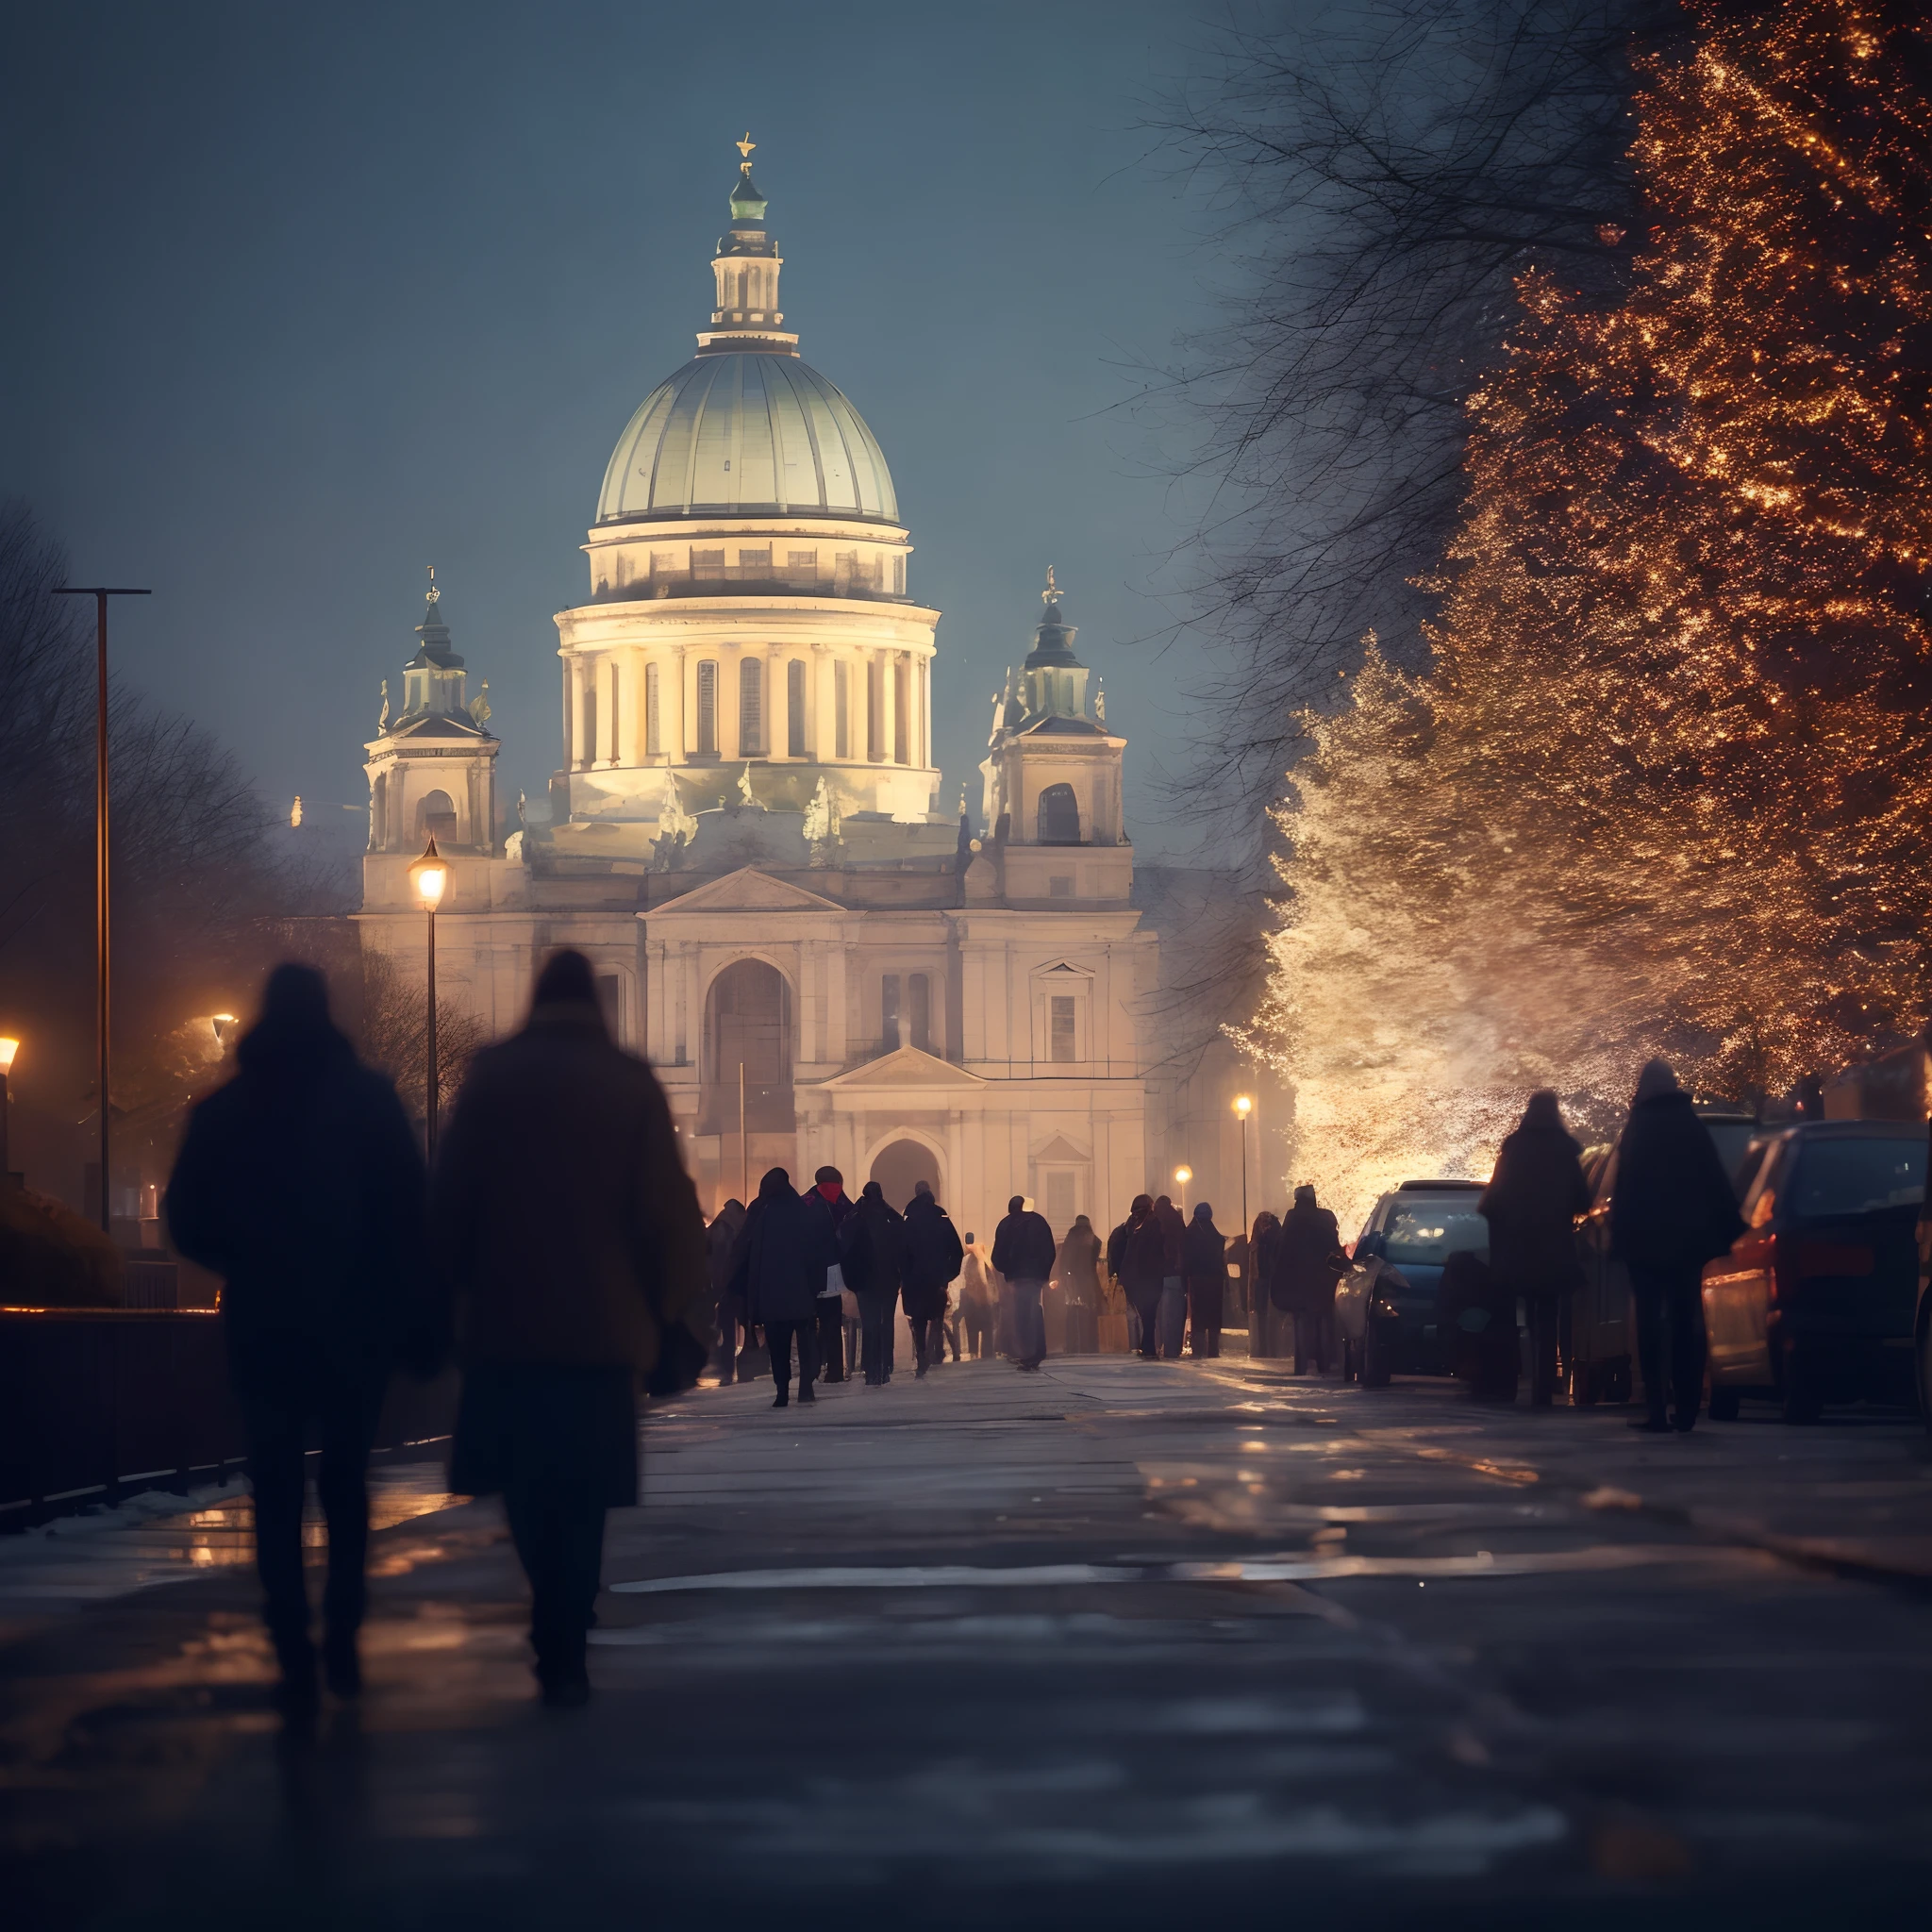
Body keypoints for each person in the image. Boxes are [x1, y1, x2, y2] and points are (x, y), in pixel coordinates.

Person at [429, 949, 708, 1707]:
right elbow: (670, 1215)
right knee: (585, 1486)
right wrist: (673, 1309)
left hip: (508, 1319)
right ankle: (568, 1617)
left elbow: (451, 1199)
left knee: (524, 1478)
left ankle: (546, 1600)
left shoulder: (491, 1079)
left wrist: (440, 1297)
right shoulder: (630, 1084)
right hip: (604, 1328)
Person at [166, 963, 425, 1719]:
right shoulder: (372, 1102)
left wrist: (242, 1260)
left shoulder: (226, 1106)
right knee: (346, 1481)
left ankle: (289, 1639)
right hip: (354, 1321)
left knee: (274, 1486)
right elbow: (410, 1209)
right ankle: (343, 1626)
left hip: (264, 1320)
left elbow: (185, 1215)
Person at [1610, 1058, 1743, 1433]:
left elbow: (1626, 1188)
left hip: (1647, 1244)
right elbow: (1713, 1178)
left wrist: (1621, 1238)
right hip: (1688, 1244)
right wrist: (1725, 1229)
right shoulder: (1690, 1125)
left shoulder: (1639, 1127)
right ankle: (1687, 1410)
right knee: (1688, 1320)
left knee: (1650, 1325)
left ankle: (1657, 1409)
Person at [1480, 1090, 1591, 1407]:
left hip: (1519, 1247)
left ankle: (1526, 1378)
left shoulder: (1513, 1150)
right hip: (1554, 1245)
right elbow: (1583, 1199)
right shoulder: (1565, 1151)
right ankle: (1545, 1381)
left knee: (1524, 1308)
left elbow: (1491, 1201)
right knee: (1549, 1308)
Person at [730, 1167, 827, 1409]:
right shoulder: (801, 1211)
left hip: (771, 1294)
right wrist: (815, 1288)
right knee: (805, 1342)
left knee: (778, 1346)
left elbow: (743, 1250)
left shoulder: (761, 1212)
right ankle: (806, 1387)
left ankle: (782, 1391)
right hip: (801, 1293)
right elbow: (816, 1254)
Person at [1272, 1185, 1344, 1374]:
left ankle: (1301, 1365)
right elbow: (1334, 1247)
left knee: (1301, 1322)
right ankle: (1324, 1363)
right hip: (1322, 1281)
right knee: (1324, 1321)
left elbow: (1282, 1248)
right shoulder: (1325, 1217)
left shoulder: (1292, 1217)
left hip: (1298, 1280)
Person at [841, 1181, 906, 1385]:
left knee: (869, 1325)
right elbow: (902, 1233)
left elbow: (844, 1238)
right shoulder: (889, 1219)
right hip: (888, 1280)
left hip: (865, 1280)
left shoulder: (858, 1218)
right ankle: (886, 1366)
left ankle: (870, 1368)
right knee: (886, 1324)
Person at [901, 1179, 965, 1376]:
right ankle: (934, 1353)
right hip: (937, 1280)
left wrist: (903, 1277)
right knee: (937, 1319)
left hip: (914, 1281)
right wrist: (947, 1275)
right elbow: (956, 1251)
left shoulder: (908, 1220)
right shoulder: (941, 1218)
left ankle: (922, 1357)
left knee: (918, 1321)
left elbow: (900, 1252)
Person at [991, 1193, 1055, 1372]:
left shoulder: (1005, 1224)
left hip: (1017, 1278)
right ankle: (1039, 1351)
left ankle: (1027, 1353)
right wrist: (1044, 1274)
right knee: (1035, 1310)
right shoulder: (1039, 1222)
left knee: (1022, 1314)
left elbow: (997, 1256)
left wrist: (1008, 1273)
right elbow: (1050, 1250)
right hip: (1035, 1277)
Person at [802, 1166, 854, 1383]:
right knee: (828, 1322)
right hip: (824, 1272)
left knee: (820, 1323)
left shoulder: (805, 1202)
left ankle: (819, 1369)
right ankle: (828, 1370)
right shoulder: (831, 1202)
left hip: (814, 1273)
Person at [1109, 1195, 1167, 1361]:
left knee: (1143, 1314)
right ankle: (1148, 1349)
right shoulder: (1153, 1224)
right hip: (1148, 1277)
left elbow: (1116, 1249)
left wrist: (1119, 1271)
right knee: (1149, 1315)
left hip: (1130, 1278)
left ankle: (1145, 1347)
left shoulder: (1129, 1226)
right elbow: (1156, 1252)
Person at [706, 1197, 746, 1385]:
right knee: (736, 1326)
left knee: (726, 1328)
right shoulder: (732, 1228)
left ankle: (728, 1369)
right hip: (735, 1287)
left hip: (725, 1288)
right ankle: (739, 1370)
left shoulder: (719, 1227)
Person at [1053, 1214, 1104, 1355]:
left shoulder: (1070, 1239)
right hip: (1089, 1281)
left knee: (1072, 1314)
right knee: (1089, 1313)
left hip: (1072, 1282)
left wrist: (1063, 1277)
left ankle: (1072, 1345)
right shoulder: (1095, 1240)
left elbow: (1064, 1261)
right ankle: (1090, 1346)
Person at [1183, 1202, 1226, 1358]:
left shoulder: (1190, 1233)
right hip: (1215, 1281)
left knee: (1198, 1316)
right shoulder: (1215, 1236)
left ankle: (1198, 1350)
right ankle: (1213, 1351)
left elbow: (1186, 1258)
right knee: (1214, 1317)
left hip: (1198, 1280)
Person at [1152, 1194, 1188, 1359]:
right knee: (1175, 1314)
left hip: (1160, 1275)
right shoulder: (1177, 1221)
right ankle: (1173, 1350)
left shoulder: (1156, 1222)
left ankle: (1160, 1347)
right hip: (1176, 1274)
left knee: (1161, 1316)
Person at [1248, 1210, 1282, 1357]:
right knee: (1271, 1316)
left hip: (1263, 1279)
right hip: (1273, 1279)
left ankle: (1263, 1349)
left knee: (1262, 1315)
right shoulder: (1278, 1236)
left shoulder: (1257, 1241)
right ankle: (1272, 1349)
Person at [958, 1234, 996, 1359]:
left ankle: (973, 1353)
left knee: (972, 1329)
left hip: (970, 1299)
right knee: (987, 1329)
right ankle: (987, 1353)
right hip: (984, 1300)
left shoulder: (965, 1261)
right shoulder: (984, 1262)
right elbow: (989, 1279)